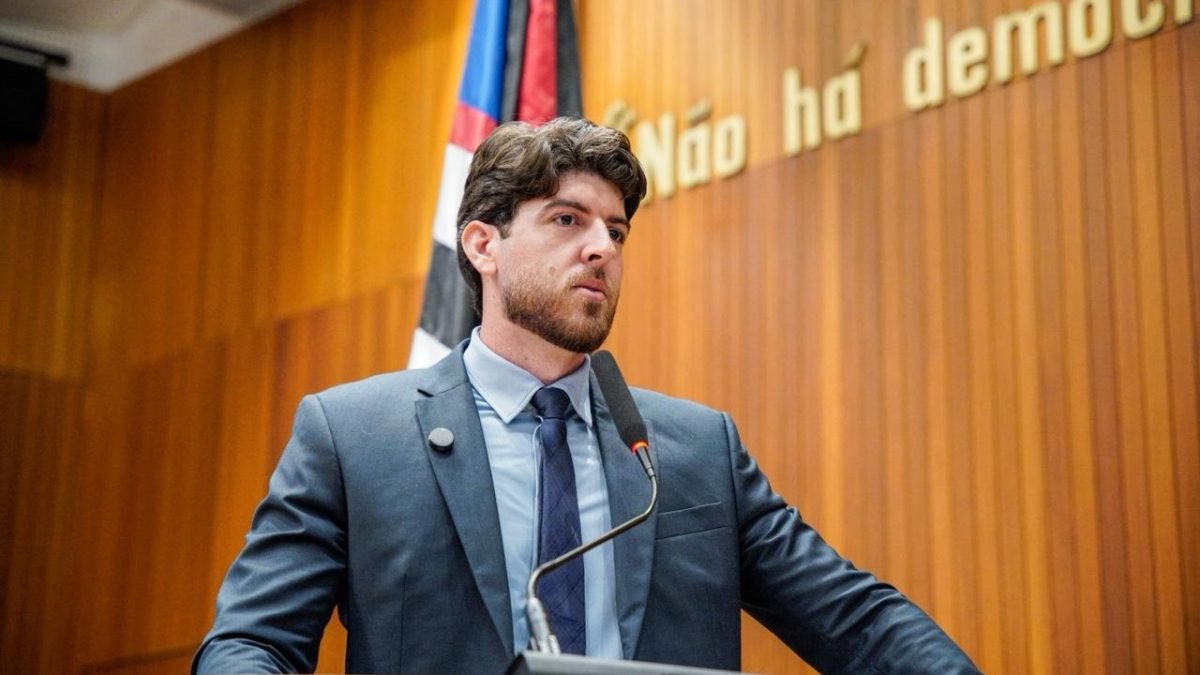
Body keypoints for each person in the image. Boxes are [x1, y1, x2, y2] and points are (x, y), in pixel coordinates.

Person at [194, 118, 980, 674]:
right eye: (567, 219)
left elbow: (854, 620)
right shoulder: (354, 437)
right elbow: (251, 644)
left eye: (615, 229)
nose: (601, 246)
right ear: (482, 243)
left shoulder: (696, 450)